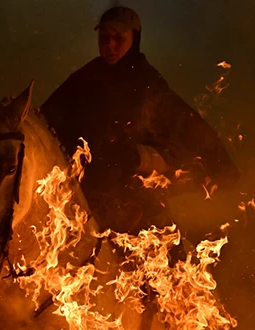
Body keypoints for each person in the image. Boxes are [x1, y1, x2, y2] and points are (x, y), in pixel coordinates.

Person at [42, 6, 239, 235]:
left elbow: (186, 124)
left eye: (118, 38)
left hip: (135, 191)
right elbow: (48, 116)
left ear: (134, 39)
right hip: (84, 189)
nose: (110, 45)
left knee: (157, 243)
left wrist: (222, 166)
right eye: (104, 38)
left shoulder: (146, 82)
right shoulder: (85, 78)